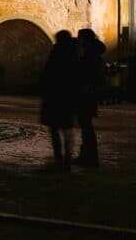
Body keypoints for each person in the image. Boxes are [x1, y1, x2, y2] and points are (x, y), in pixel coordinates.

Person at [40, 30, 77, 172]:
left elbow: (48, 74)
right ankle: (67, 158)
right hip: (68, 97)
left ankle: (59, 158)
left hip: (55, 96)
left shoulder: (56, 52)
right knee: (67, 129)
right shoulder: (74, 54)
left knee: (55, 129)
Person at [75, 28, 106, 167]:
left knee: (86, 126)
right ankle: (88, 155)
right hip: (90, 94)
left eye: (80, 37)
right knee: (86, 125)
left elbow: (85, 75)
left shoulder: (89, 58)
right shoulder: (94, 56)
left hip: (86, 94)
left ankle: (89, 156)